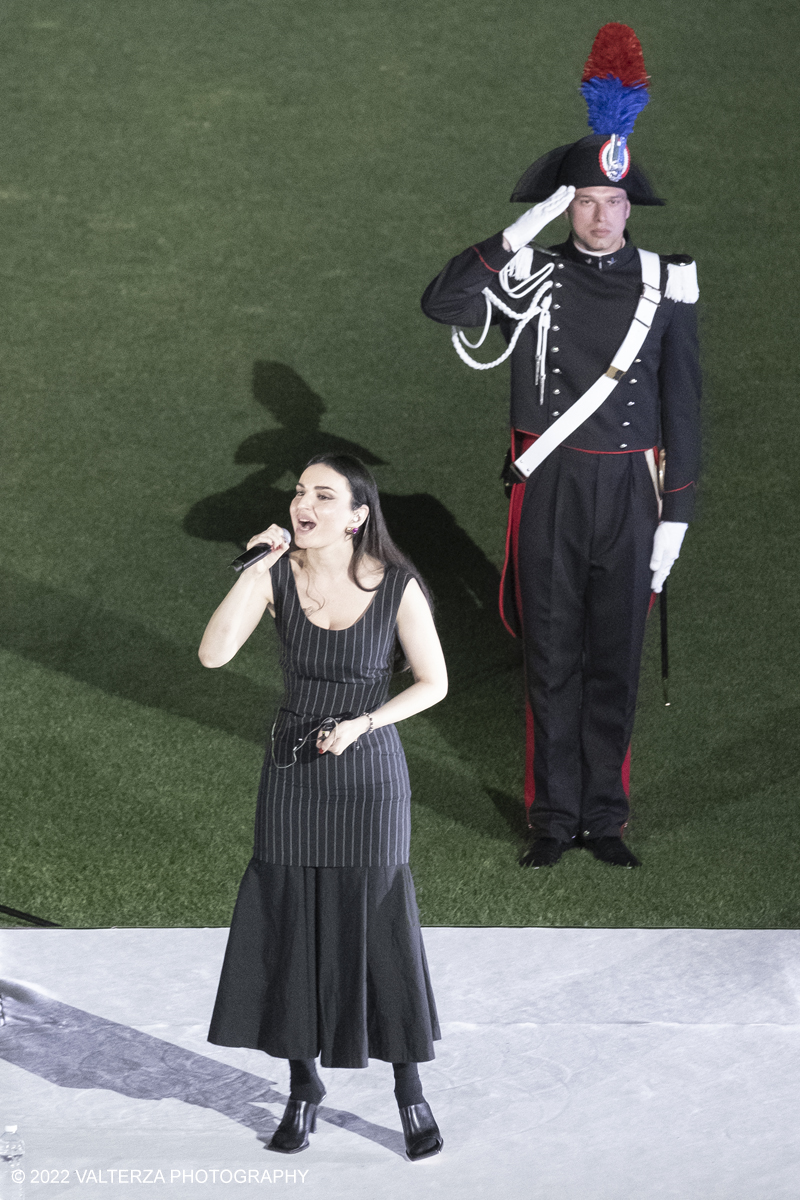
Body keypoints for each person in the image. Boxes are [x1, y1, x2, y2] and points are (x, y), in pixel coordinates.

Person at [421, 24, 701, 870]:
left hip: (629, 495)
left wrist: (677, 512)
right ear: (565, 206)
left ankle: (605, 819)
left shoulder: (666, 280)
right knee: (549, 655)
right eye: (583, 202)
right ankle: (552, 818)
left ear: (630, 207)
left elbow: (683, 401)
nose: (601, 216)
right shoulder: (533, 274)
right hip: (548, 488)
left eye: (613, 203)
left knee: (614, 657)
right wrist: (518, 230)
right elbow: (441, 304)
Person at [199, 454, 447, 1161]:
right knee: (290, 925)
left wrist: (366, 724)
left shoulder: (396, 586)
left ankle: (409, 1092)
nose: (304, 503)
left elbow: (433, 682)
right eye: (300, 493)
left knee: (380, 928)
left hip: (370, 779)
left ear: (357, 516)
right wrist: (257, 564)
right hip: (292, 776)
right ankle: (303, 1086)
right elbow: (214, 654)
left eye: (323, 495)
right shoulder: (276, 575)